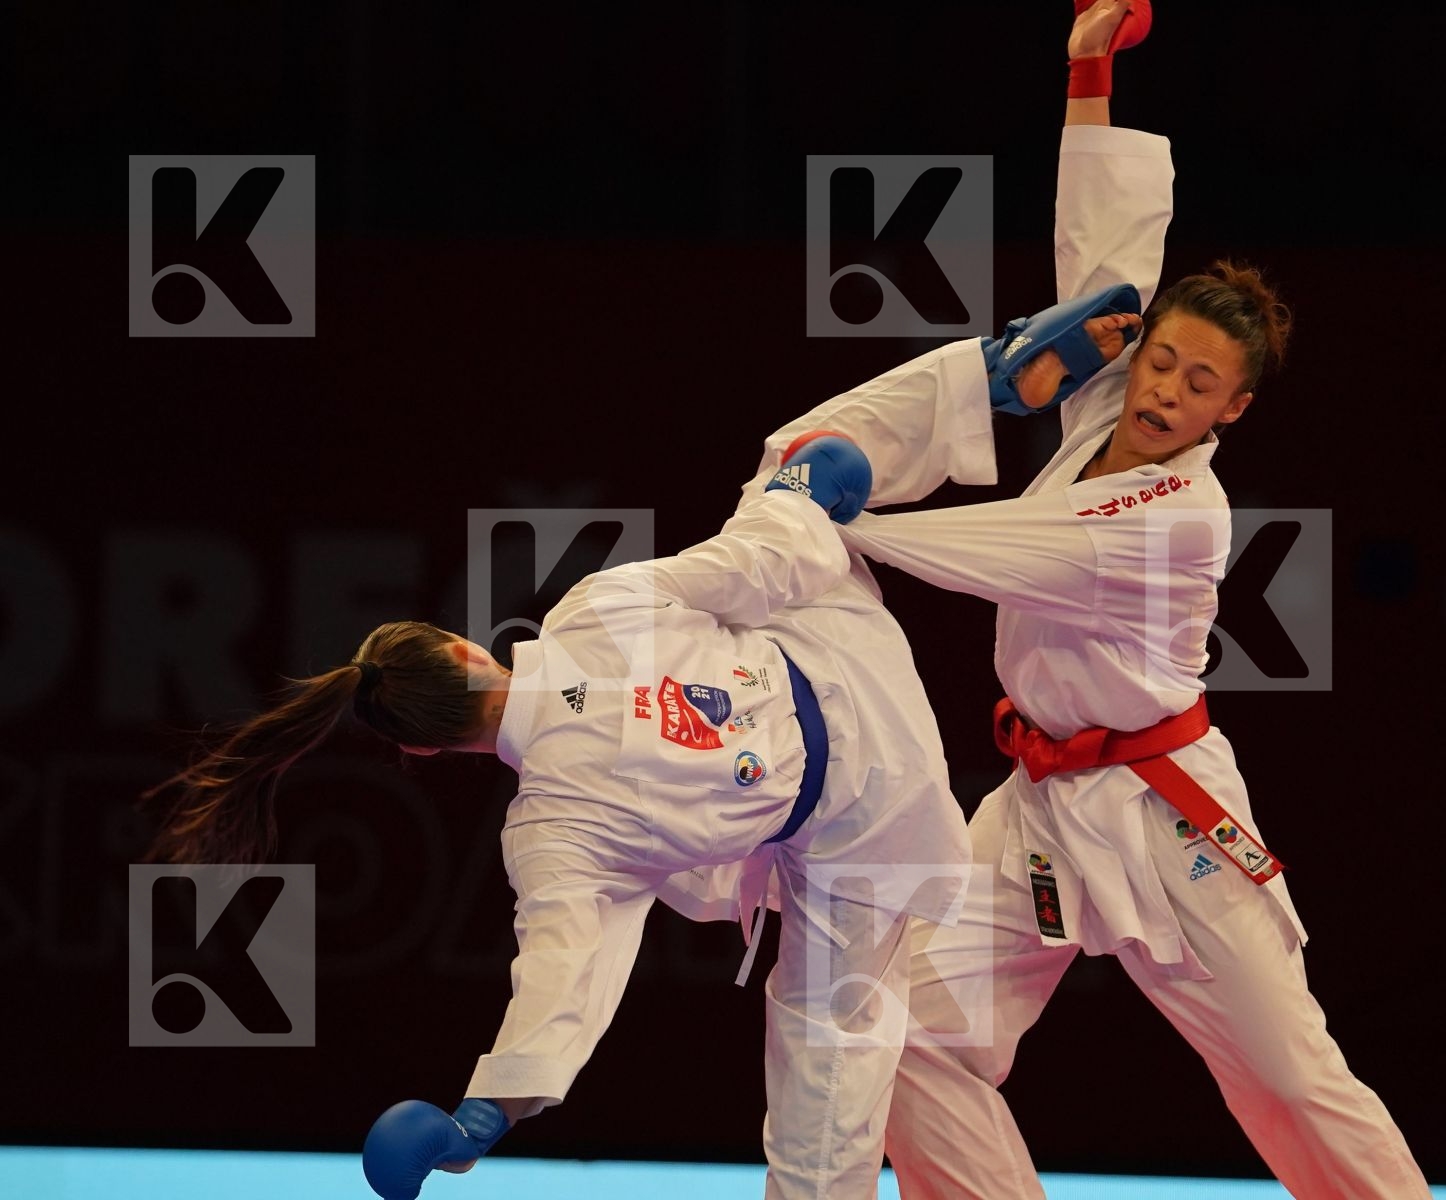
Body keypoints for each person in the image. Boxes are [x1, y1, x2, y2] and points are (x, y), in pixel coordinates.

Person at [824, 2, 1435, 1195]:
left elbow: (1018, 548)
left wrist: (846, 522)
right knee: (902, 1031)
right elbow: (1101, 268)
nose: (1163, 391)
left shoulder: (1182, 515)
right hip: (1040, 806)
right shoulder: (1106, 401)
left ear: (1232, 411)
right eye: (1160, 359)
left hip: (1168, 818)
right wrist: (1089, 74)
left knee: (1289, 1082)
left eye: (1199, 384)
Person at [139, 432, 974, 1200]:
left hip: (874, 822)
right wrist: (796, 496)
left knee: (819, 1115)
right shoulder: (591, 608)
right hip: (850, 653)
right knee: (789, 463)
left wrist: (482, 1117)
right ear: (465, 649)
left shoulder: (552, 833)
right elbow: (745, 566)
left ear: (424, 749)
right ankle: (991, 376)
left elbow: (563, 975)